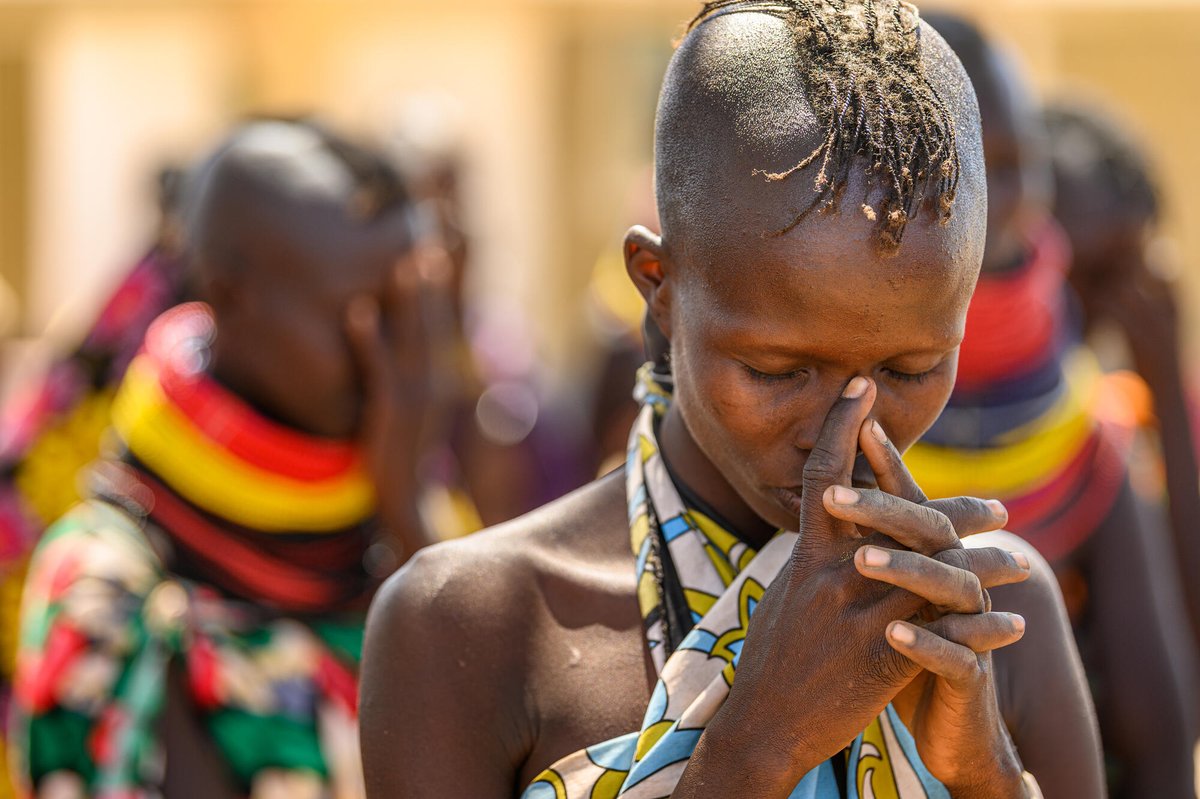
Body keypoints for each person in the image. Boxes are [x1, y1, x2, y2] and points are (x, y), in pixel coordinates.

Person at [360, 3, 1103, 797]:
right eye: (779, 369)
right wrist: (759, 743)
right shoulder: (476, 626)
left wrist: (985, 775)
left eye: (911, 367)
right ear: (660, 287)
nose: (842, 435)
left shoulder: (989, 618)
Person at [11, 120, 433, 798]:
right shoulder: (116, 599)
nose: (403, 356)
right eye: (362, 314)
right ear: (230, 295)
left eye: (417, 307)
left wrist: (410, 514)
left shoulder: (409, 519)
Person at [909, 13, 1195, 797]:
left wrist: (1166, 385)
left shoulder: (1090, 441)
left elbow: (1167, 738)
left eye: (1016, 166)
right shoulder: (822, 416)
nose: (1000, 203)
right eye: (969, 165)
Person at [1045, 100, 1200, 651]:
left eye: (1127, 275)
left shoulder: (1131, 412)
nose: (1113, 306)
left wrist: (1167, 392)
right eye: (1090, 273)